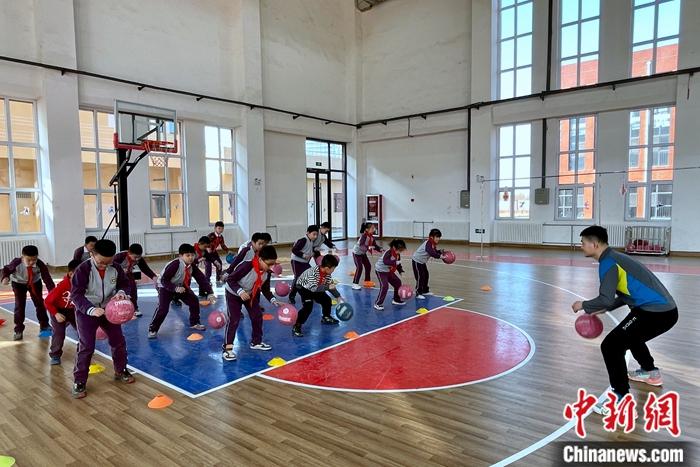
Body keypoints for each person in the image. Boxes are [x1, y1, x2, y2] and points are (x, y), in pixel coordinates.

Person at [571, 226, 679, 415]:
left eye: (583, 243)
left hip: (655, 312)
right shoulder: (615, 258)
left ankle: (621, 400)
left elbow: (605, 298)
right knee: (631, 336)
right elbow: (624, 293)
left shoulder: (608, 263)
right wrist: (608, 307)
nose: (581, 246)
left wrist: (584, 305)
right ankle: (651, 373)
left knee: (611, 346)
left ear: (594, 244)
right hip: (663, 311)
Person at [70, 239, 133, 399]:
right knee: (86, 346)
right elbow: (76, 295)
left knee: (118, 341)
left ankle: (121, 370)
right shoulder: (83, 269)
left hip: (109, 311)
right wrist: (91, 309)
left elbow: (125, 284)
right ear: (92, 254)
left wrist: (121, 292)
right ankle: (79, 381)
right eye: (101, 262)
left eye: (108, 262)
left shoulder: (116, 268)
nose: (104, 265)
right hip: (86, 312)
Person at [222, 245, 281, 361]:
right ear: (260, 259)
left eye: (273, 264)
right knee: (234, 319)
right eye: (269, 264)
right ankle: (227, 349)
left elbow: (265, 289)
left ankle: (256, 342)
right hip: (233, 293)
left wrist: (273, 300)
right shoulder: (247, 266)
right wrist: (240, 291)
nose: (271, 267)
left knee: (257, 316)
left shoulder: (267, 273)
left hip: (250, 294)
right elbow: (230, 279)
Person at [148, 243, 216, 339]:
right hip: (165, 287)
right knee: (163, 308)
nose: (191, 258)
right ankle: (153, 329)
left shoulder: (192, 266)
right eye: (187, 255)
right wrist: (174, 288)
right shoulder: (175, 265)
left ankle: (195, 323)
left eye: (192, 255)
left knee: (194, 301)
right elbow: (164, 280)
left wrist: (210, 293)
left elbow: (202, 279)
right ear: (181, 256)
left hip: (181, 286)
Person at [1, 245, 56, 340]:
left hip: (35, 283)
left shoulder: (40, 264)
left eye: (34, 260)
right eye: (28, 260)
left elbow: (47, 278)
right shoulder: (16, 262)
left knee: (40, 303)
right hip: (18, 284)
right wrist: (5, 277)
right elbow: (6, 269)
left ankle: (44, 326)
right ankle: (18, 330)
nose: (31, 262)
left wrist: (53, 292)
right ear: (23, 257)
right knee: (20, 305)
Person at [292, 254, 344, 337]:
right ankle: (297, 326)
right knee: (308, 307)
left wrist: (338, 296)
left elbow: (330, 285)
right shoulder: (313, 273)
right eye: (333, 268)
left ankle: (326, 317)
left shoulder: (327, 274)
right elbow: (314, 289)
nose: (333, 270)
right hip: (303, 287)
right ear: (327, 268)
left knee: (326, 300)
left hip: (315, 287)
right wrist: (327, 287)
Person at [46, 259, 81, 365]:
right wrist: (56, 314)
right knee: (59, 333)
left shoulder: (83, 284)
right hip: (58, 310)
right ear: (71, 274)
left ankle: (83, 349)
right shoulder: (62, 286)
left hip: (72, 310)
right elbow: (47, 302)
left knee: (83, 329)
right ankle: (55, 355)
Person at [112, 243, 158, 317]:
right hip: (115, 276)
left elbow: (145, 268)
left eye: (139, 257)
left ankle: (134, 308)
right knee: (117, 292)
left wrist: (154, 277)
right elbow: (110, 267)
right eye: (135, 257)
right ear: (129, 253)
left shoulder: (139, 259)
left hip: (128, 274)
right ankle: (117, 308)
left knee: (133, 289)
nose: (137, 259)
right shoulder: (119, 257)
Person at [287, 225, 320, 304]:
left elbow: (310, 250)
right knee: (298, 278)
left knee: (312, 275)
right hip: (296, 262)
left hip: (305, 263)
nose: (315, 236)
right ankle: (291, 296)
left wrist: (315, 252)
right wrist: (303, 255)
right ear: (308, 233)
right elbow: (294, 250)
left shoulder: (311, 241)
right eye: (314, 234)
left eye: (316, 235)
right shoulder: (303, 240)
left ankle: (311, 295)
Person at [412, 228, 445, 299]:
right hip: (417, 261)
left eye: (439, 237)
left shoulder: (432, 244)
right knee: (420, 277)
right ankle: (418, 293)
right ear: (431, 237)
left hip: (422, 262)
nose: (438, 239)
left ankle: (425, 290)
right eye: (437, 237)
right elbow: (431, 252)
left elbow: (434, 251)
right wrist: (440, 256)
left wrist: (439, 251)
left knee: (426, 275)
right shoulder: (428, 243)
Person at [374, 239, 407, 311]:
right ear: (394, 248)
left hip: (388, 271)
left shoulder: (397, 254)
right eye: (399, 250)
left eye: (401, 250)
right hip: (381, 271)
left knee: (398, 282)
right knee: (385, 286)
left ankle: (396, 299)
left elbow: (398, 263)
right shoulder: (388, 252)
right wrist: (395, 262)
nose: (400, 252)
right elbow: (386, 261)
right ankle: (378, 303)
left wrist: (400, 270)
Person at [351, 223, 382, 290]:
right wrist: (368, 247)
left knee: (368, 266)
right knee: (359, 267)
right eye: (372, 228)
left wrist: (380, 249)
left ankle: (367, 282)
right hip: (356, 253)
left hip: (362, 254)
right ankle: (354, 284)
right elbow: (361, 245)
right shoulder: (364, 236)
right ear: (367, 229)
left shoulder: (371, 237)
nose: (374, 229)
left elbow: (375, 245)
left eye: (374, 228)